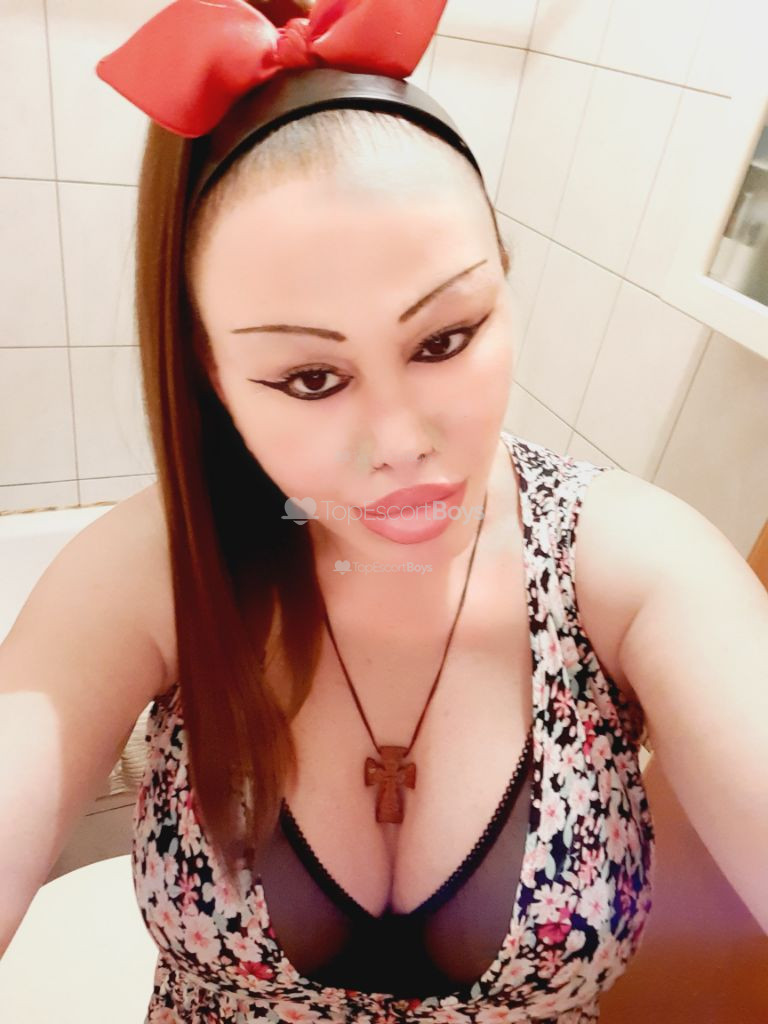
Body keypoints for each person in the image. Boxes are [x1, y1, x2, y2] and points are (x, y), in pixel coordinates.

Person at [2, 1, 766, 1021]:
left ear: (504, 287)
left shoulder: (633, 567)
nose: (401, 443)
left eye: (445, 339)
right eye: (311, 378)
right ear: (215, 378)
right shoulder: (157, 568)